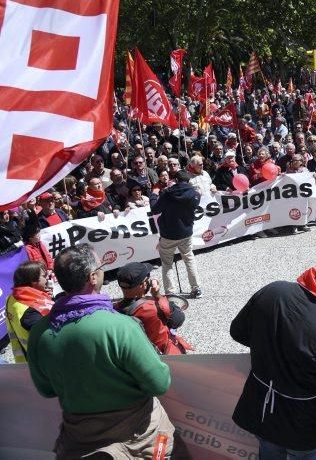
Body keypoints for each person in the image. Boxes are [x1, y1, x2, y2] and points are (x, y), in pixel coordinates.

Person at [26, 244, 175, 458]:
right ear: (92, 277)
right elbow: (159, 383)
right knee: (162, 442)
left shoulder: (40, 332)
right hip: (142, 438)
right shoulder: (121, 326)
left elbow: (46, 389)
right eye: (101, 265)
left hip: (80, 439)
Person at [230, 250, 316, 458]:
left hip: (262, 413)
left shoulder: (273, 290)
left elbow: (238, 331)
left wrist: (272, 351)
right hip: (303, 428)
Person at [114, 262, 193, 355]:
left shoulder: (114, 310)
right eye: (148, 277)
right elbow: (179, 319)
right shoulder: (155, 306)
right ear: (143, 285)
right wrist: (158, 296)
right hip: (163, 356)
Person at [151, 170, 203, 298]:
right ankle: (196, 289)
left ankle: (170, 292)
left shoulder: (167, 193)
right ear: (188, 180)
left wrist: (153, 195)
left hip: (168, 234)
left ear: (176, 180)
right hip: (186, 232)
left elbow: (155, 209)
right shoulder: (195, 194)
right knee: (189, 259)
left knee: (167, 264)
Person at [4, 261, 53, 363]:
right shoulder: (31, 311)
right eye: (44, 276)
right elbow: (51, 339)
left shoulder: (11, 298)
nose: (47, 279)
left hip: (25, 359)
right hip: (43, 363)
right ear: (33, 281)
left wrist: (44, 297)